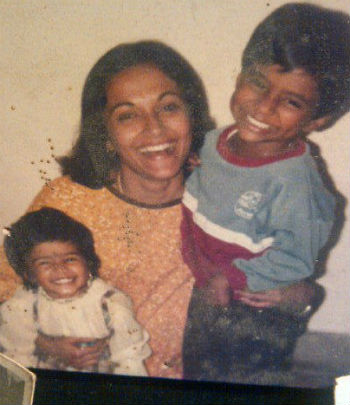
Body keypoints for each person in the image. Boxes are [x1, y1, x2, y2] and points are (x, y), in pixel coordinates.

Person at [0, 40, 316, 379]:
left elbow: (301, 288)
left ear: (191, 116)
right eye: (127, 115)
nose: (154, 129)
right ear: (106, 134)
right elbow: (5, 291)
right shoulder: (66, 202)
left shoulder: (227, 200)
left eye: (168, 108)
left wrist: (291, 294)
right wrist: (45, 344)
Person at [181, 3, 350, 383]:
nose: (264, 105)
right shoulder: (214, 142)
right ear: (240, 75)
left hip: (253, 308)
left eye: (292, 102)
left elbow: (296, 259)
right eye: (258, 82)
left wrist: (235, 279)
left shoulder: (297, 184)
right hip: (205, 288)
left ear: (317, 120)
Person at [0, 207, 151, 375]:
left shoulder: (110, 305)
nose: (60, 269)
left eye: (70, 259)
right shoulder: (23, 306)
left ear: (88, 262)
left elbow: (130, 362)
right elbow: (17, 359)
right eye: (45, 263)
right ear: (29, 274)